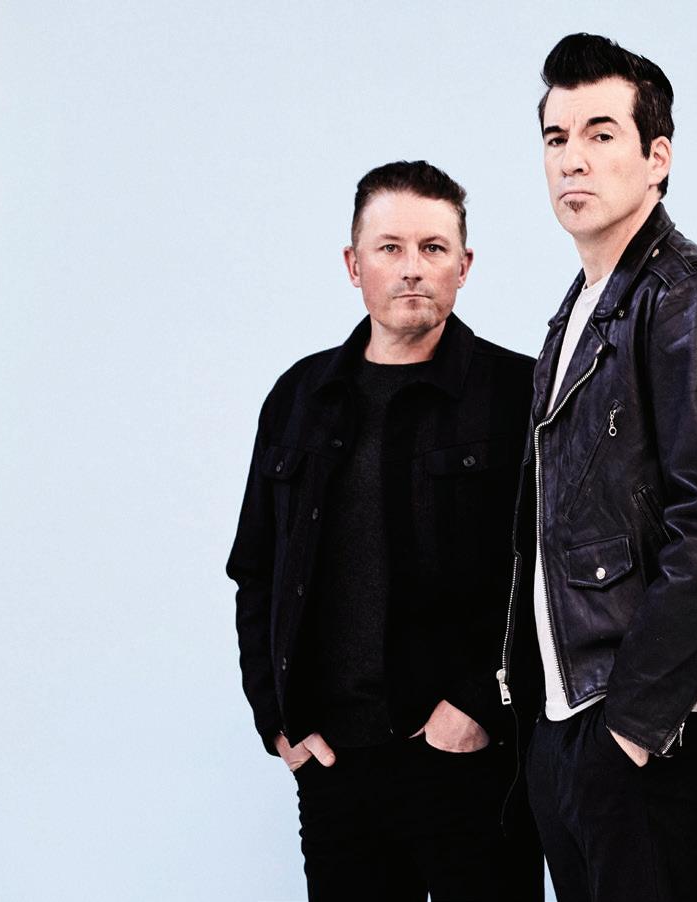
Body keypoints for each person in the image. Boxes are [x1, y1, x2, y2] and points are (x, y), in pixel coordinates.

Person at [495, 33, 697, 902]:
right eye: (557, 138)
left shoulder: (694, 299)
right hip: (577, 716)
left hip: (654, 726)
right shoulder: (580, 311)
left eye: (601, 134)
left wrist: (628, 728)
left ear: (657, 157)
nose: (573, 159)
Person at [227, 160, 541, 900]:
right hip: (336, 766)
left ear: (464, 266)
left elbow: (546, 573)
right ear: (353, 264)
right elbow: (256, 569)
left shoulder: (518, 393)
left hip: (471, 761)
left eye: (433, 248)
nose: (412, 268)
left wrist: (480, 704)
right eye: (390, 248)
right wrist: (278, 720)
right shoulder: (300, 396)